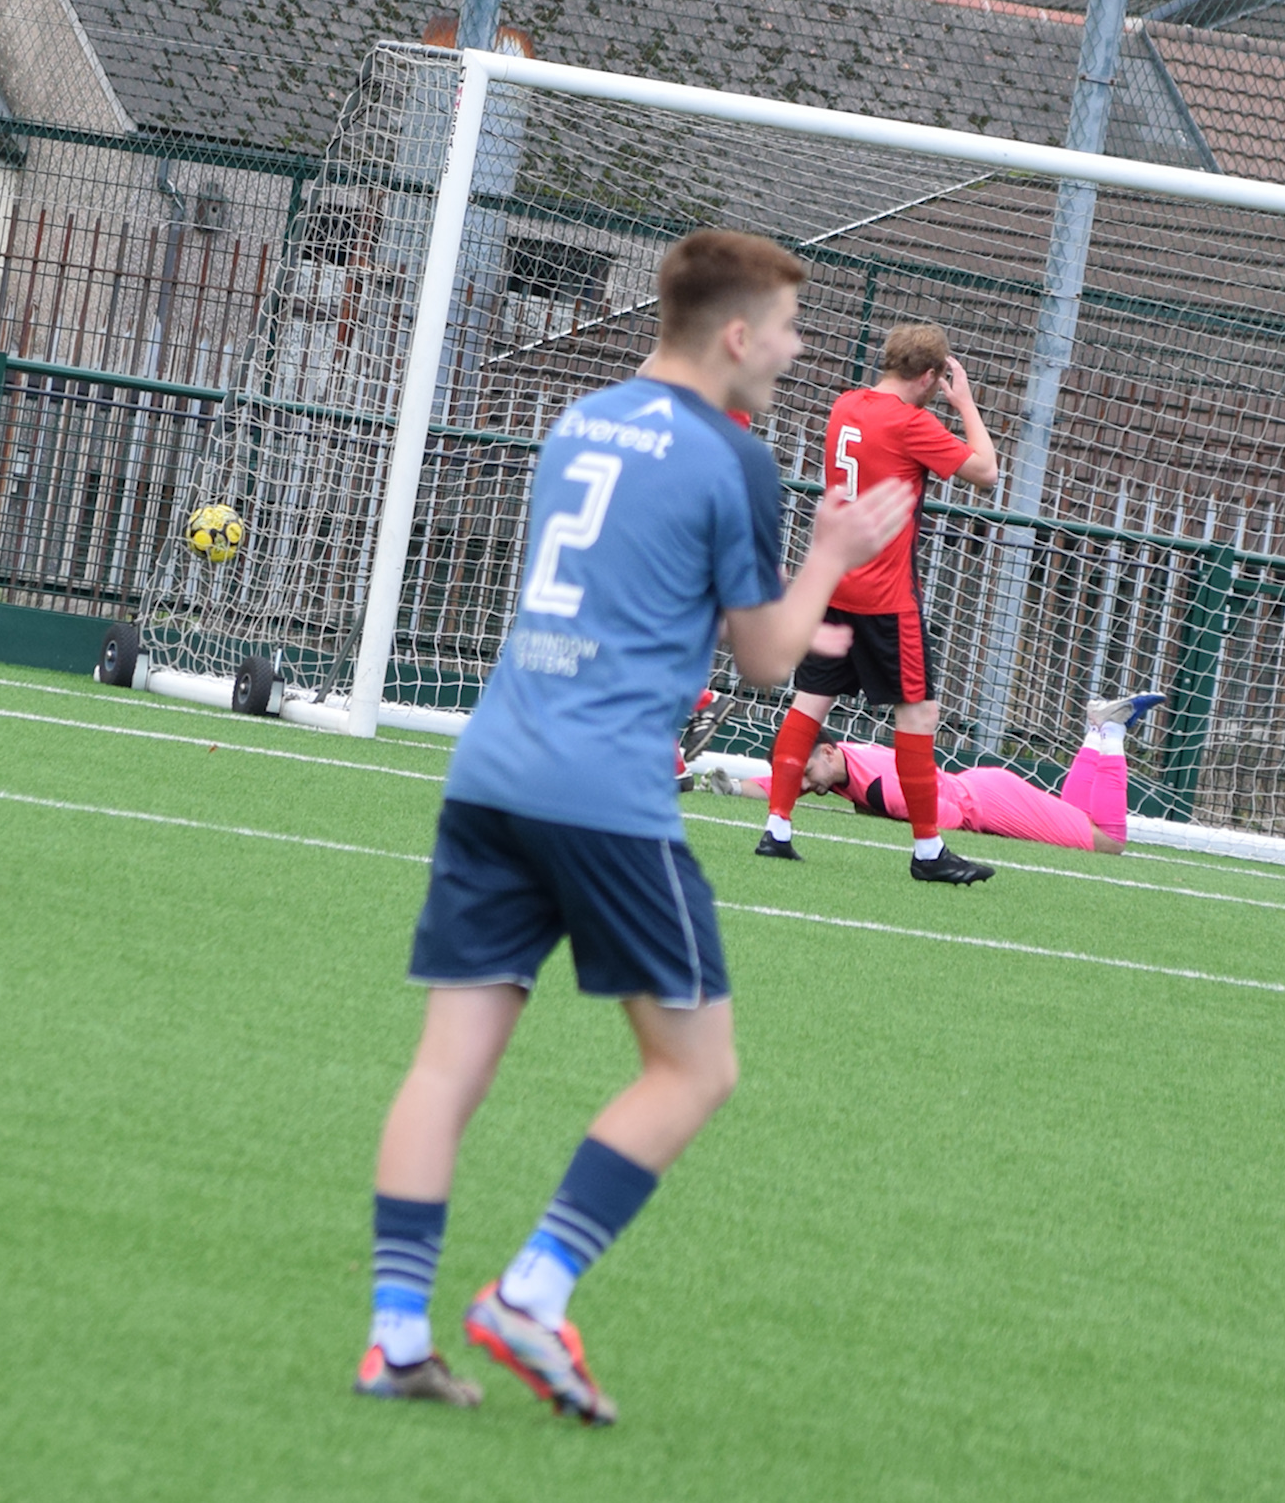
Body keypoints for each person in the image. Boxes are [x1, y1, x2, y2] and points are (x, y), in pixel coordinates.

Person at [356, 231, 914, 1422]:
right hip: (604, 794)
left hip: (494, 768)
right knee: (694, 1067)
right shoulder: (733, 455)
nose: (797, 349)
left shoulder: (580, 418)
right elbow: (765, 658)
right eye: (787, 327)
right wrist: (827, 559)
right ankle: (531, 1288)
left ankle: (394, 1335)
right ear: (733, 335)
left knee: (444, 1068)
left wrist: (765, 613)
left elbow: (642, 588)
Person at [755, 323, 1000, 884]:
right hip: (886, 595)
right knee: (918, 713)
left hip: (833, 583)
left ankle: (778, 827)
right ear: (931, 376)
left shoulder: (846, 405)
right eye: (941, 377)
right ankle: (928, 851)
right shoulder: (914, 423)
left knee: (811, 701)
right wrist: (964, 403)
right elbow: (985, 472)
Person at [724, 694, 1163, 854]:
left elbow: (946, 816)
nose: (805, 789)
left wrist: (896, 818)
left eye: (804, 775)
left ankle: (1112, 731)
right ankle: (1094, 730)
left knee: (1108, 841)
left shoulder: (878, 788)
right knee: (1074, 816)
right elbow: (779, 783)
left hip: (989, 804)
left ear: (826, 750)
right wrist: (734, 787)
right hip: (986, 788)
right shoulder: (841, 765)